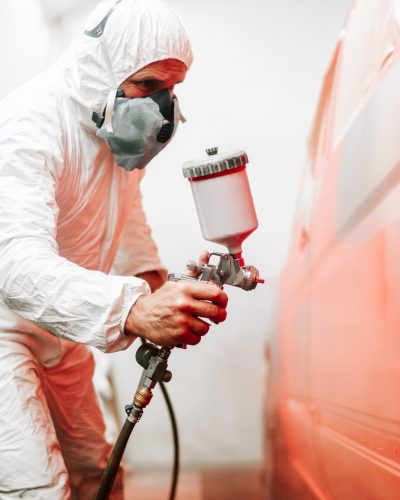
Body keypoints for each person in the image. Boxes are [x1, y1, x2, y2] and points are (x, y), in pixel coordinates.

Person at [0, 0, 228, 498]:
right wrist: (134, 309)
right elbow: (15, 269)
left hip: (62, 335)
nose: (162, 106)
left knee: (94, 474)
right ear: (102, 68)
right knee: (36, 486)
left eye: (172, 90)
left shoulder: (111, 134)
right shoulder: (30, 125)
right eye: (148, 86)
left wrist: (155, 282)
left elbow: (125, 214)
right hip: (5, 334)